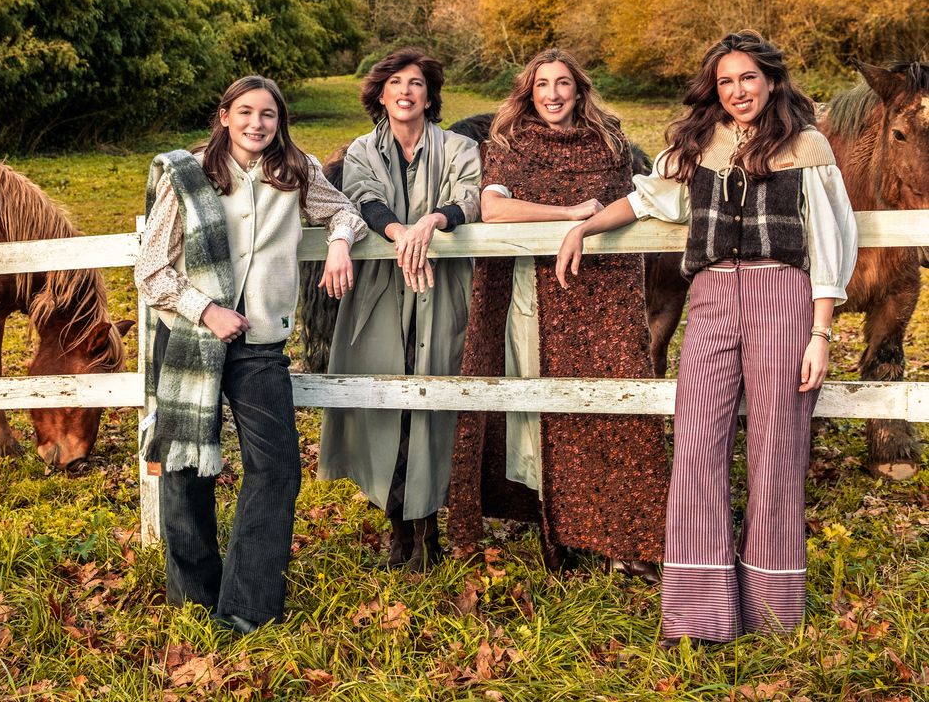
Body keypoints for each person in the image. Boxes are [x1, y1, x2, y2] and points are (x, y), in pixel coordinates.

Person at [556, 31, 858, 646]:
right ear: (713, 89)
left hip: (784, 296)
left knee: (777, 443)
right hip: (714, 297)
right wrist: (583, 229)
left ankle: (773, 608)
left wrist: (820, 332)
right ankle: (699, 609)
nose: (738, 91)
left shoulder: (807, 147)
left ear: (772, 81)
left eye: (748, 78)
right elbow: (644, 202)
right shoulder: (699, 146)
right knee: (698, 440)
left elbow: (830, 242)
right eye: (726, 81)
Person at [134, 75, 367, 635]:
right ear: (224, 116)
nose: (257, 124)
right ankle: (194, 595)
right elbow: (151, 269)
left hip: (260, 345)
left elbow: (345, 213)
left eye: (268, 115)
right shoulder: (189, 176)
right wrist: (206, 309)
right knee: (186, 467)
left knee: (278, 468)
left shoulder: (295, 170)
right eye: (245, 112)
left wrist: (338, 243)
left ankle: (246, 606)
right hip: (192, 337)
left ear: (279, 122)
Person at [447, 49, 668, 581]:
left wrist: (589, 229)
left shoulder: (609, 142)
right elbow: (495, 207)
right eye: (542, 84)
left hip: (602, 295)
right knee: (538, 410)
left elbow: (632, 204)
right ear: (529, 91)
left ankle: (623, 534)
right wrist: (568, 214)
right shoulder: (509, 143)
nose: (552, 94)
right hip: (533, 292)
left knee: (611, 408)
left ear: (578, 90)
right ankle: (556, 529)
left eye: (562, 83)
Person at [318, 49, 481, 571]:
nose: (406, 91)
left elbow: (471, 197)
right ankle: (397, 525)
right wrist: (400, 233)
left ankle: (429, 524)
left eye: (416, 83)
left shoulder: (459, 146)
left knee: (434, 399)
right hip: (382, 291)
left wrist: (430, 222)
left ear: (430, 96)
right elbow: (362, 198)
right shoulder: (363, 149)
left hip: (443, 287)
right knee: (386, 400)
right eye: (395, 83)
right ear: (381, 95)